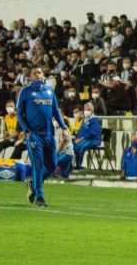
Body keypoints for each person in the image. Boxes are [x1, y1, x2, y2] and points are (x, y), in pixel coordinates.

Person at [16, 66, 70, 207]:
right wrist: (26, 130)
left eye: (40, 72)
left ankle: (32, 184)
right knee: (38, 166)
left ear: (43, 74)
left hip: (49, 135)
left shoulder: (49, 91)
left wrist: (63, 127)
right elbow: (19, 113)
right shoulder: (25, 92)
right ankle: (39, 197)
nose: (38, 75)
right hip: (34, 136)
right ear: (30, 77)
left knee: (52, 165)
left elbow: (55, 111)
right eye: (35, 73)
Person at [73, 102, 102, 170]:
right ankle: (75, 166)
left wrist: (80, 139)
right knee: (73, 145)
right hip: (84, 139)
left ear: (92, 110)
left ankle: (78, 167)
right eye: (85, 110)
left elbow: (92, 133)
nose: (86, 111)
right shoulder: (85, 120)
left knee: (80, 147)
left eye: (88, 110)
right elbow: (81, 131)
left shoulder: (95, 120)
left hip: (93, 140)